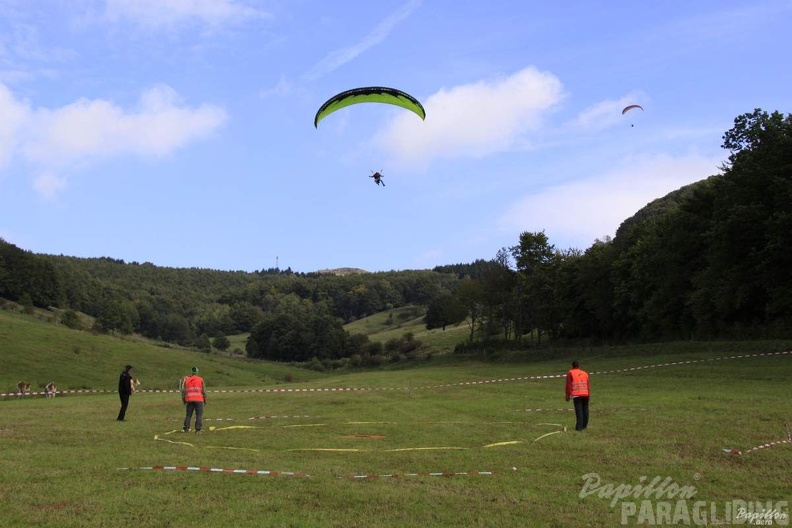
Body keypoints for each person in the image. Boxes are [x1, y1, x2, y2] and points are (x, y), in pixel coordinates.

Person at [565, 360, 590, 431]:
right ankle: (584, 425)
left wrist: (567, 396)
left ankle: (579, 428)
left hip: (577, 395)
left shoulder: (570, 373)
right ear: (579, 366)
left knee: (579, 411)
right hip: (585, 394)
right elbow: (588, 385)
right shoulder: (585, 373)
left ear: (572, 366)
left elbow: (568, 385)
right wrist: (589, 395)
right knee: (585, 410)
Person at [182, 366, 207, 433]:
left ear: (191, 372)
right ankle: (198, 429)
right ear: (197, 372)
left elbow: (184, 391)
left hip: (189, 399)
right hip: (199, 399)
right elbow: (203, 391)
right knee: (199, 415)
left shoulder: (187, 380)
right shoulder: (200, 379)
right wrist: (205, 399)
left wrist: (184, 400)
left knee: (188, 415)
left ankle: (186, 428)